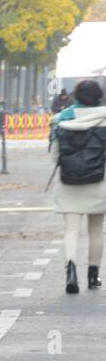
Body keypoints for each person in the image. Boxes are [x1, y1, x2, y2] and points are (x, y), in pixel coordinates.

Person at [50, 79, 106, 294]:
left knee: (71, 230)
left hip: (69, 181)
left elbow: (55, 154)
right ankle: (93, 275)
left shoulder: (63, 120)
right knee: (96, 230)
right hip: (99, 181)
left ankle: (71, 271)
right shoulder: (103, 119)